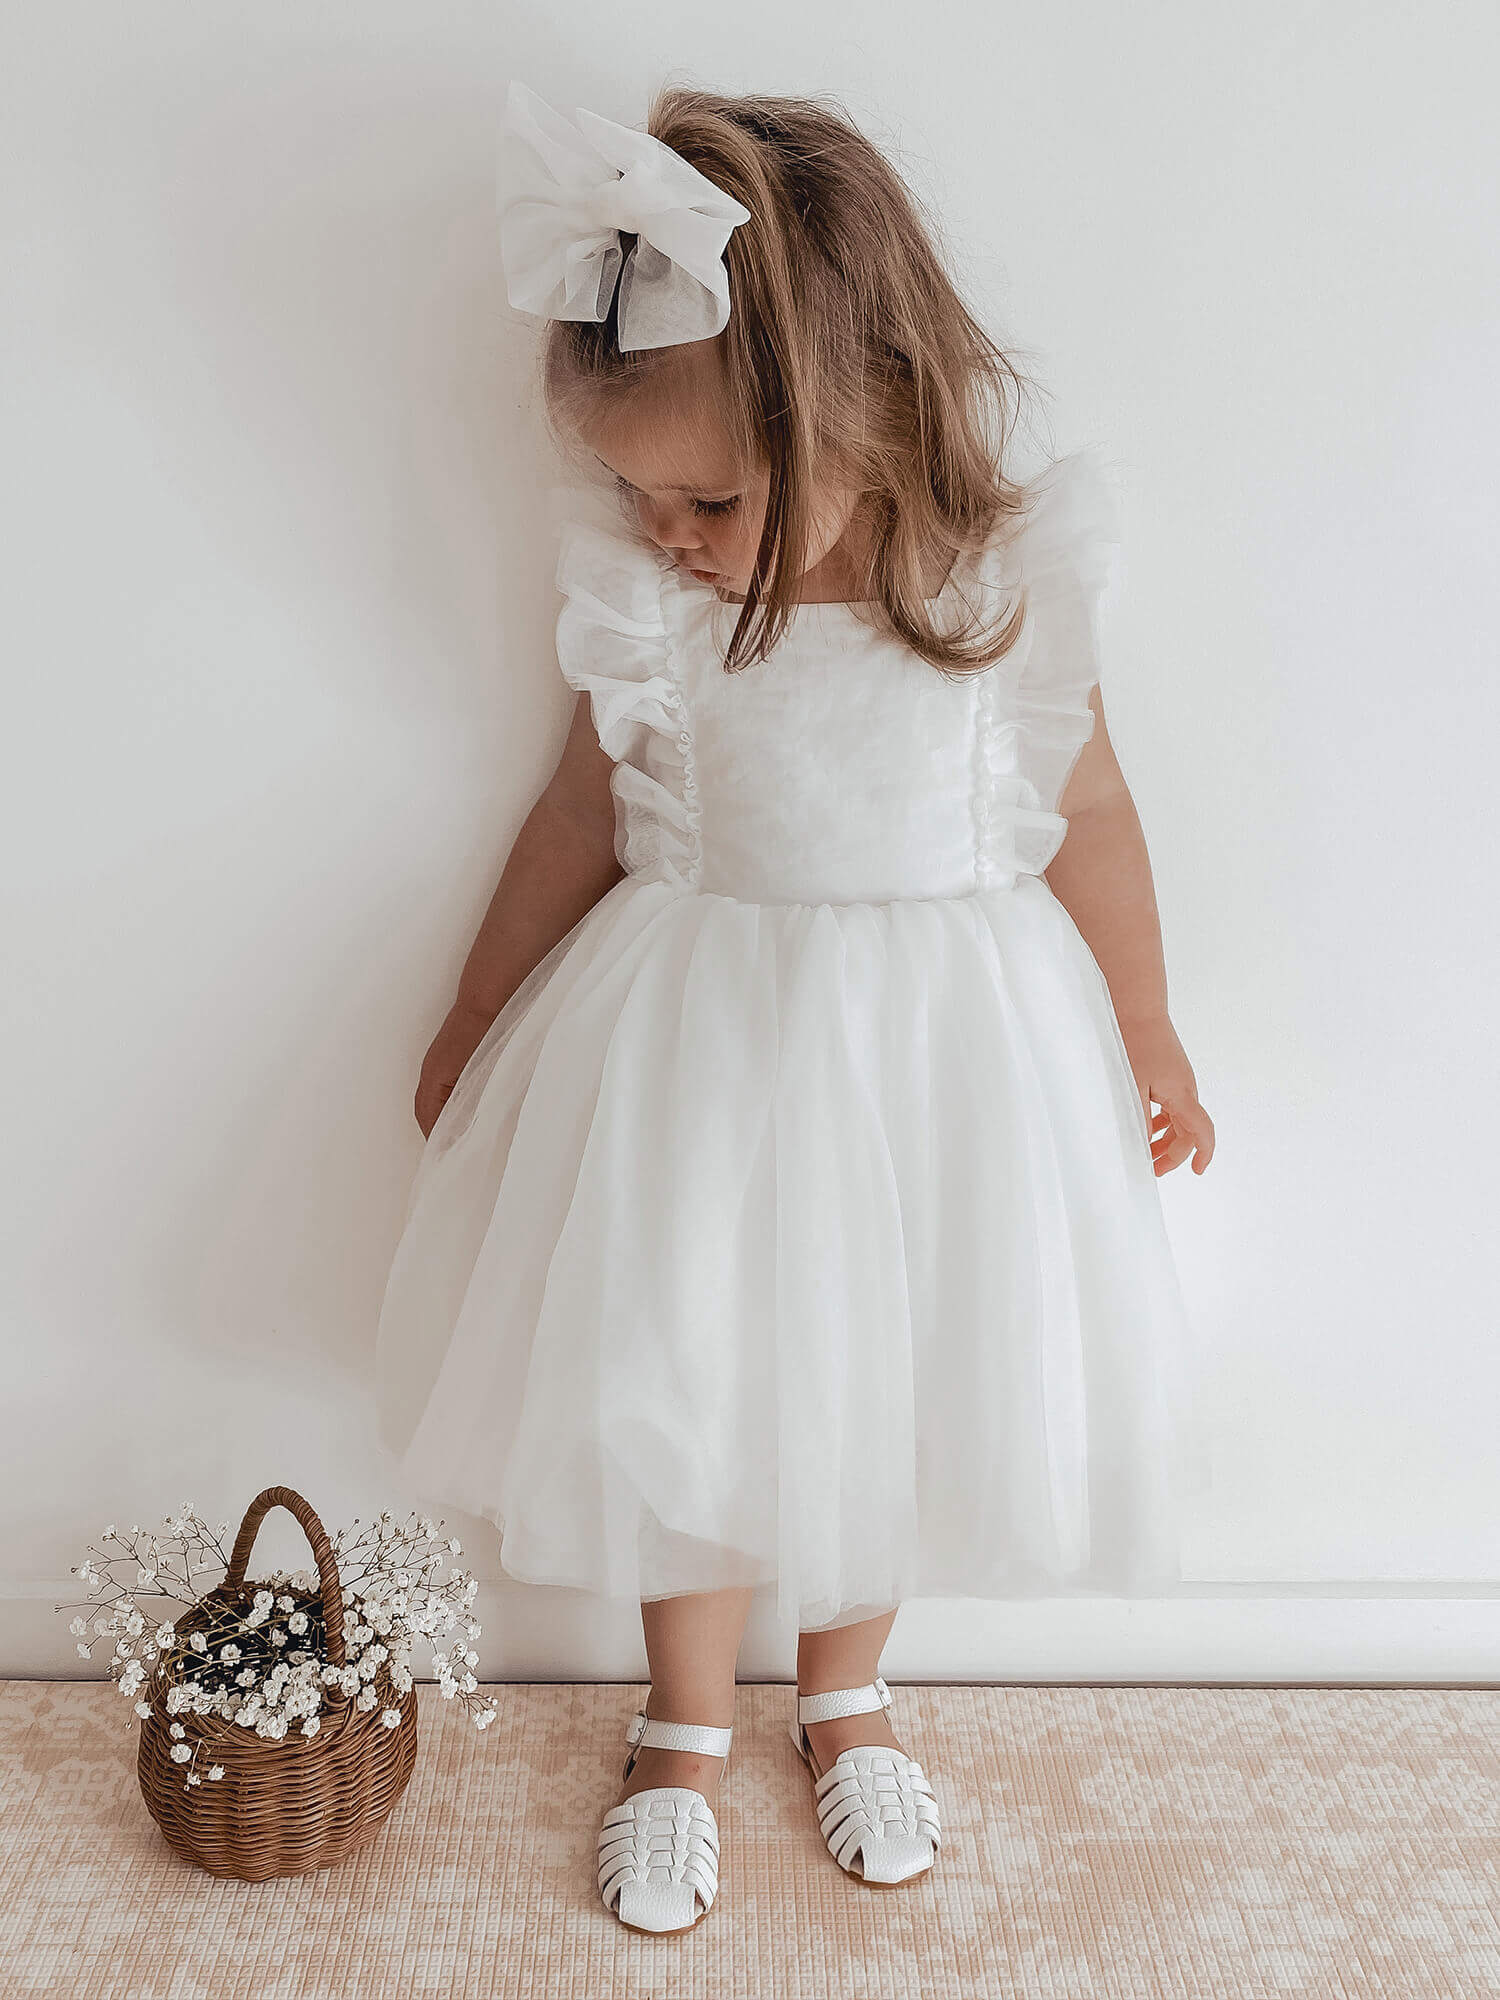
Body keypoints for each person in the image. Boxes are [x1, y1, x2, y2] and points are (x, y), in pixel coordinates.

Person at [375, 77, 1216, 1937]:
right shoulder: (658, 619)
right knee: (681, 1368)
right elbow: (577, 819)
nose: (666, 535)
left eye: (709, 499)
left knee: (889, 1384)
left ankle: (847, 1696)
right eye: (637, 496)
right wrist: (475, 1012)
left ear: (865, 413)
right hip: (702, 1062)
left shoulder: (992, 601)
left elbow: (1091, 815)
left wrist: (1147, 1030)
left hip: (941, 1073)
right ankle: (680, 1724)